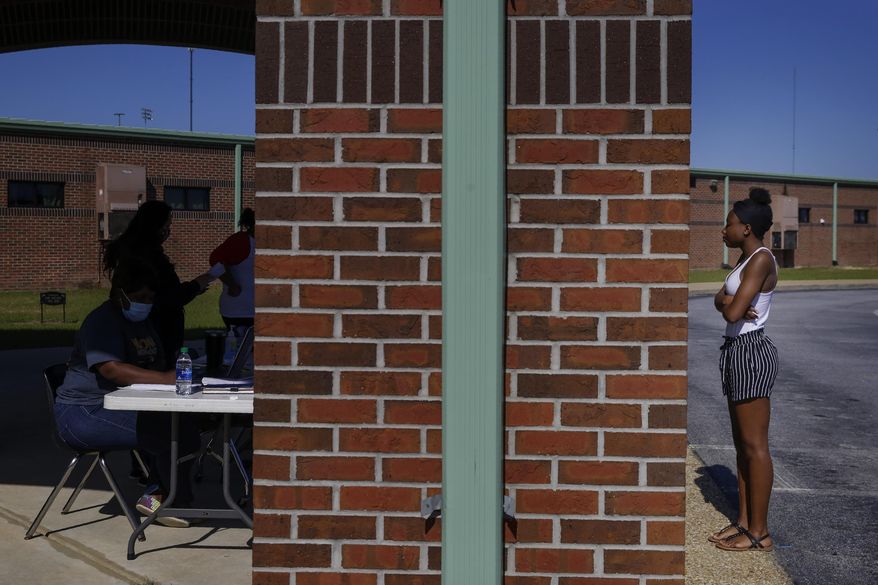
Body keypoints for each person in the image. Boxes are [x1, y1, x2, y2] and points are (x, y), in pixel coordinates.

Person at [54, 262, 200, 527]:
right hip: (84, 412)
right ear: (119, 293)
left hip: (120, 405)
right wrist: (166, 379)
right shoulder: (102, 321)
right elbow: (111, 369)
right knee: (171, 432)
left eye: (150, 298)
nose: (145, 303)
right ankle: (164, 501)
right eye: (139, 297)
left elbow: (154, 363)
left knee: (184, 425)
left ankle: (163, 496)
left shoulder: (143, 322)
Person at [709, 187, 779, 552]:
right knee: (741, 446)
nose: (724, 230)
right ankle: (743, 521)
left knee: (755, 446)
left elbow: (734, 312)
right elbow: (720, 300)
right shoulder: (743, 260)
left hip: (751, 350)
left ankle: (760, 533)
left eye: (729, 224)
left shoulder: (761, 260)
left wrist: (729, 303)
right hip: (735, 350)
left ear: (747, 228)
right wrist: (727, 300)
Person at [103, 200, 213, 365]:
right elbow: (167, 297)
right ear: (154, 225)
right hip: (156, 329)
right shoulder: (145, 257)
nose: (167, 231)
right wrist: (196, 285)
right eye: (166, 226)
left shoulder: (138, 251)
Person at [208, 208, 255, 335]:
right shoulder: (241, 241)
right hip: (240, 312)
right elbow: (215, 260)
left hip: (254, 311)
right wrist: (232, 284)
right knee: (239, 345)